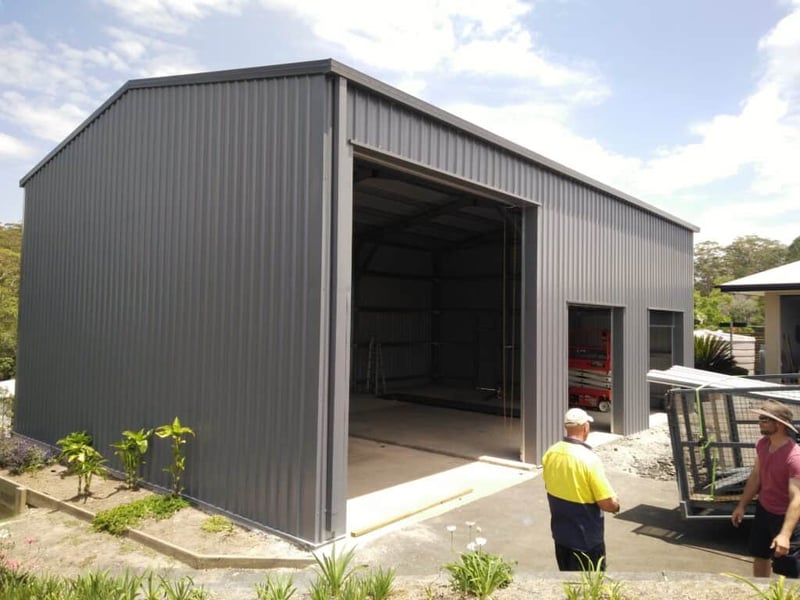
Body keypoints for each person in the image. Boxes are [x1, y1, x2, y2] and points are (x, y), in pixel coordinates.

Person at [542, 407, 620, 571]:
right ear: (586, 427)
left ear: (566, 427)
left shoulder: (551, 453)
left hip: (561, 536)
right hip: (586, 540)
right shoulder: (589, 459)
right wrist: (616, 506)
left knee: (568, 582)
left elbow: (549, 485)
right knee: (591, 585)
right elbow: (606, 503)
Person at [732, 399, 800, 578]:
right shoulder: (763, 444)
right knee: (760, 556)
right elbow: (756, 477)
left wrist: (785, 534)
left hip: (786, 516)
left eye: (764, 419)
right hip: (764, 510)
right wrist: (741, 505)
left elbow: (797, 499)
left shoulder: (794, 457)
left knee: (788, 569)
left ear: (779, 424)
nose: (759, 422)